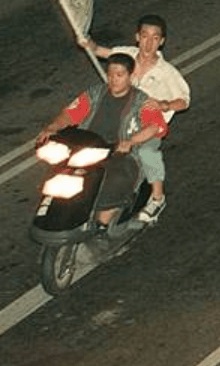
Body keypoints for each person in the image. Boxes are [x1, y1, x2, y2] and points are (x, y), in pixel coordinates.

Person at [80, 14, 190, 223]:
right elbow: (100, 51)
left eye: (155, 38)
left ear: (161, 41)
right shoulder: (126, 54)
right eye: (145, 36)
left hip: (149, 126)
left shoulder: (167, 72)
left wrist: (164, 104)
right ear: (137, 37)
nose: (149, 43)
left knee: (148, 152)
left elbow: (184, 101)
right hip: (120, 117)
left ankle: (157, 198)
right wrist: (86, 41)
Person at [37, 53, 168, 227]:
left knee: (115, 182)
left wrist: (130, 142)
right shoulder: (95, 94)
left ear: (131, 76)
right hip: (88, 150)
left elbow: (154, 126)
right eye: (110, 74)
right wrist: (53, 127)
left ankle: (103, 225)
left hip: (121, 155)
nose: (114, 80)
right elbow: (70, 113)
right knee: (59, 172)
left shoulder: (142, 101)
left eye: (119, 75)